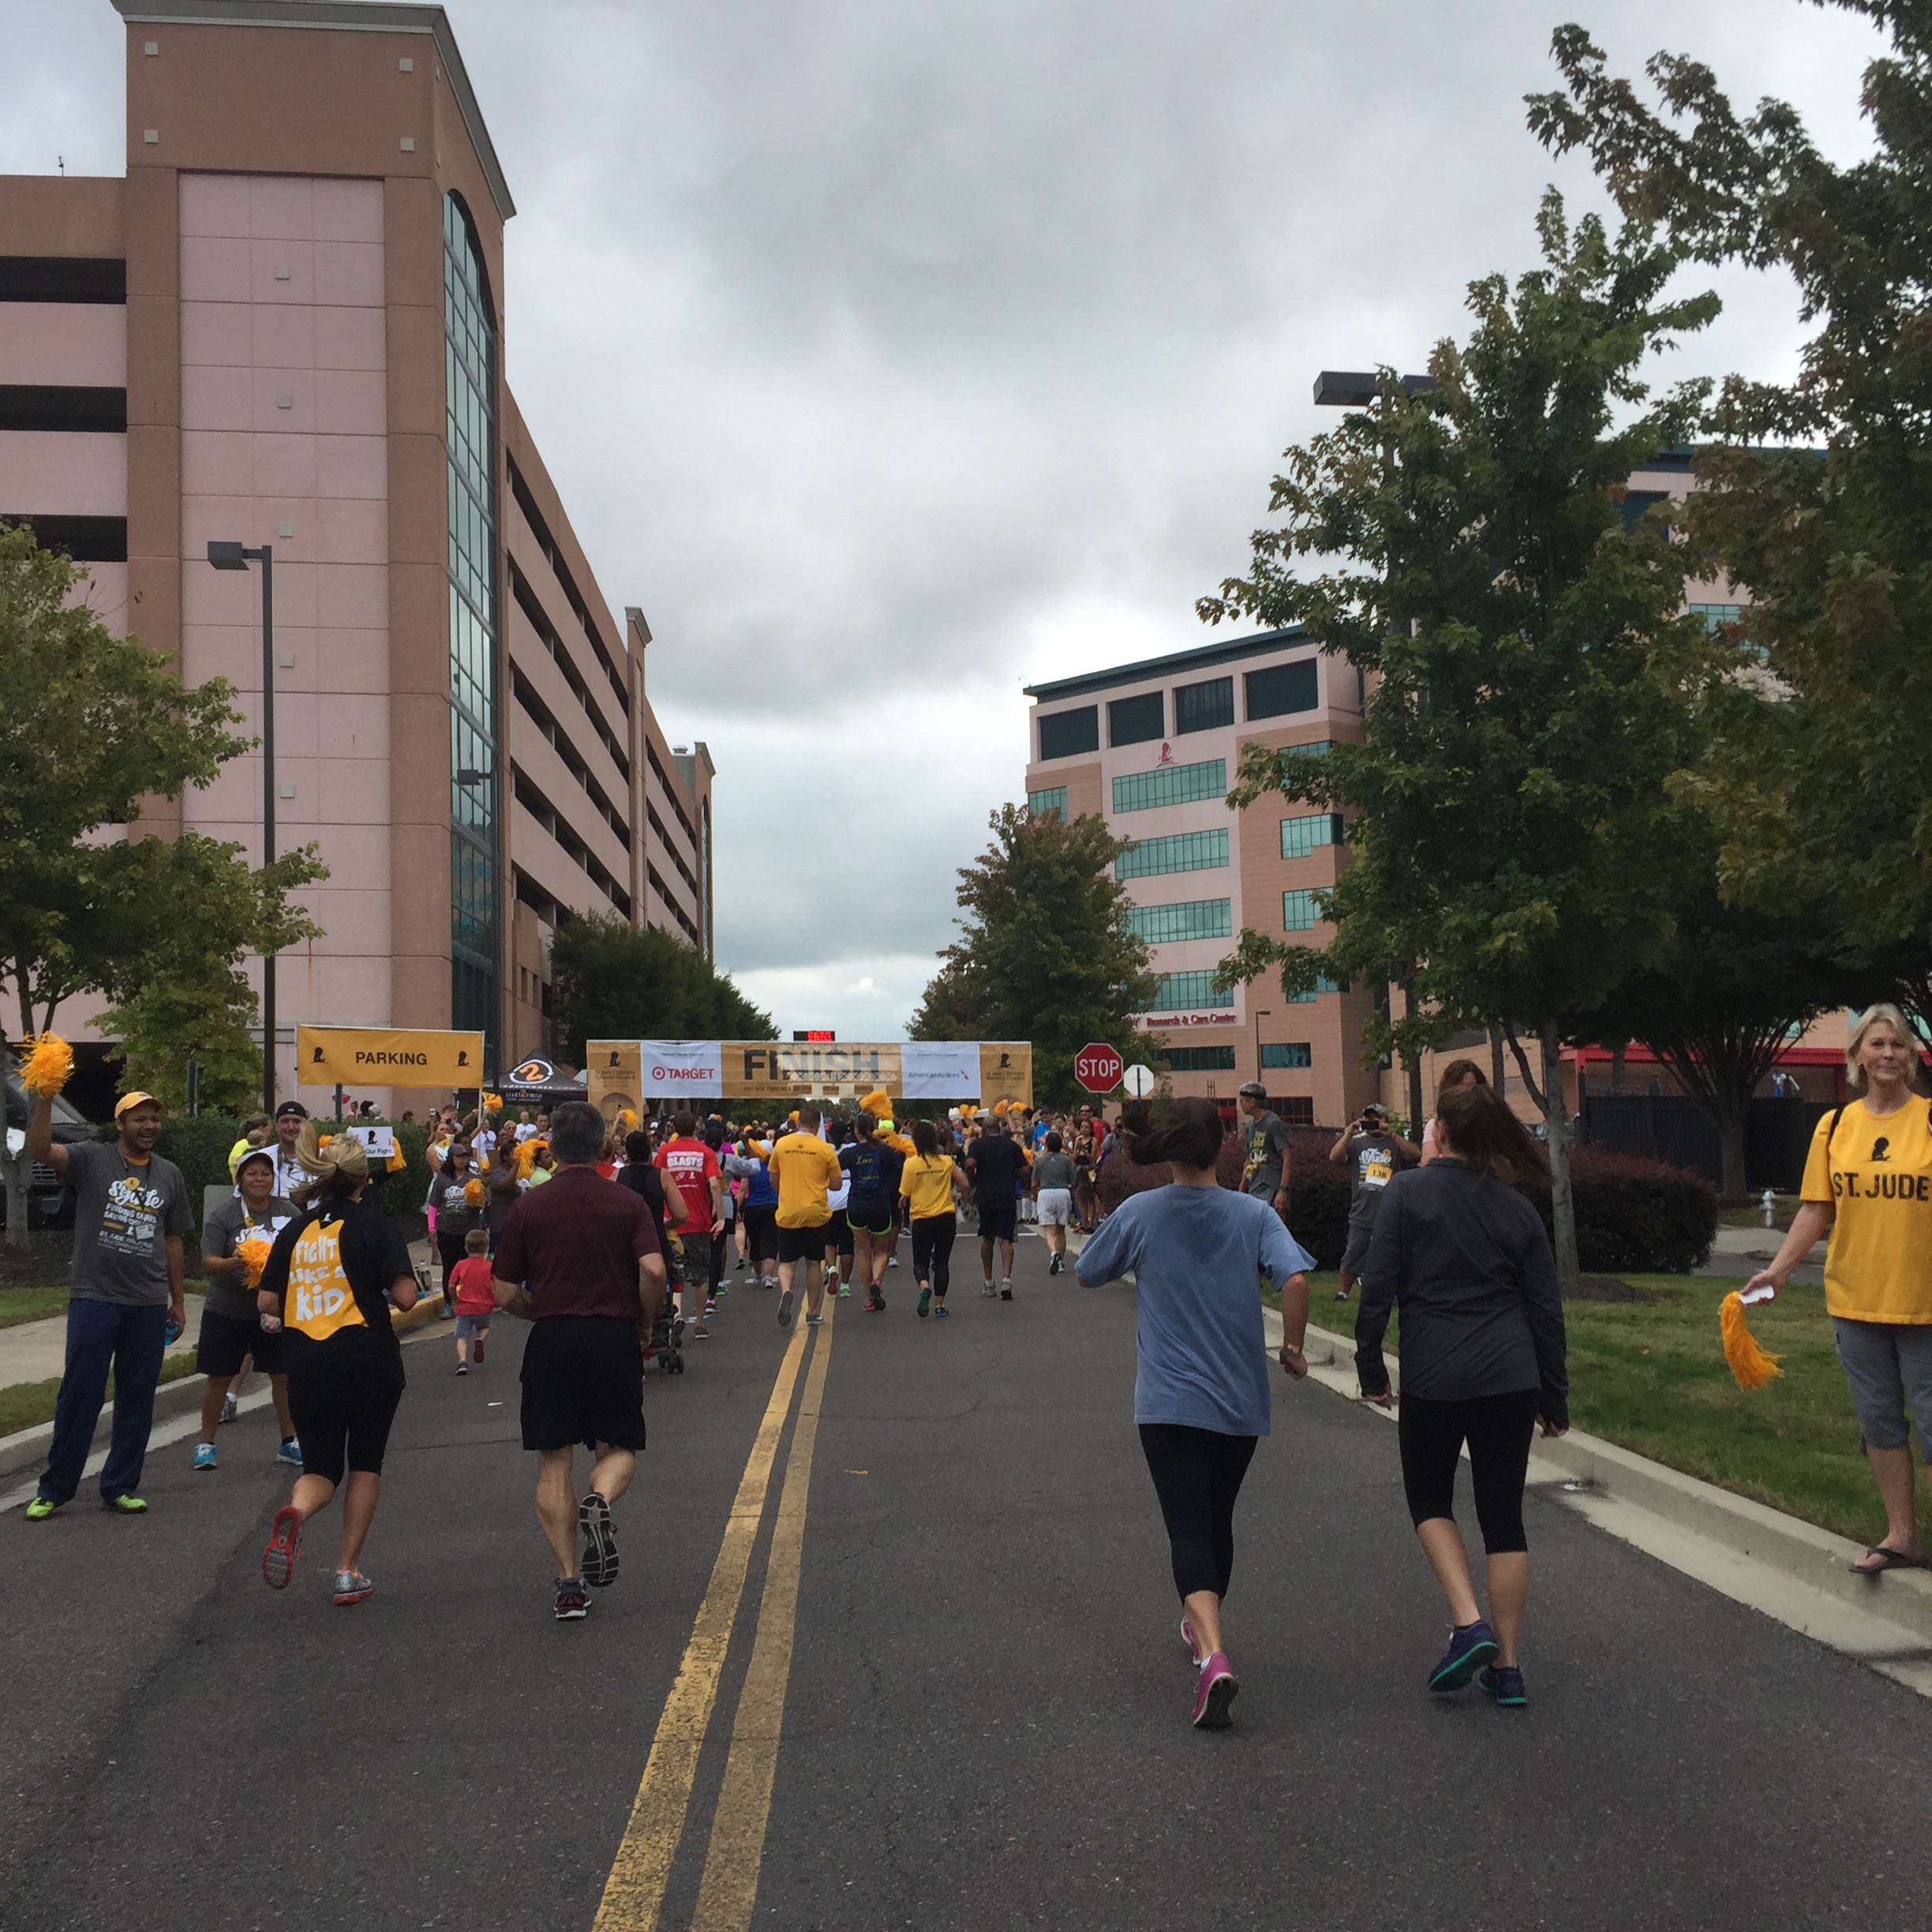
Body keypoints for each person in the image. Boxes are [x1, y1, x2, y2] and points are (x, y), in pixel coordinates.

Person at [1074, 1099, 1314, 1729]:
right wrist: (1292, 1349)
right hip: (1240, 1398)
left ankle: (1212, 1654)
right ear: (1222, 1147)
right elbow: (1295, 1281)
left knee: (1185, 1526)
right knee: (1215, 1519)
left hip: (1169, 1402)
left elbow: (1087, 1272)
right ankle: (1204, 1627)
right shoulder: (1254, 1214)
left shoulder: (1141, 1212)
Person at [1356, 1081, 1567, 1708]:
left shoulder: (1406, 1193)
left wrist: (1371, 1367)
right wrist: (1553, 1395)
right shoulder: (1517, 1209)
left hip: (1436, 1375)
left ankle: (1468, 1622)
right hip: (1511, 1376)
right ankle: (1508, 1667)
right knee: (1504, 1517)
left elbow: (1378, 1287)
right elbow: (1545, 1310)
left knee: (1430, 1500)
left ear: (1441, 1132)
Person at [1745, 1002, 1932, 1575]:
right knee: (1880, 1423)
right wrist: (1778, 1271)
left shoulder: (1929, 1120)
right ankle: (1901, 1537)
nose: (1888, 1054)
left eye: (1897, 1044)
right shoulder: (1835, 1127)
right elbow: (1816, 1208)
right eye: (1876, 1044)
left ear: (1912, 1055)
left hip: (1925, 1304)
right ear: (1857, 1057)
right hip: (1855, 1302)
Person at [490, 1101, 665, 1621]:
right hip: (612, 1334)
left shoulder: (529, 1206)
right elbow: (654, 1270)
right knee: (619, 1445)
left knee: (553, 1460)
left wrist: (540, 1310)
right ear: (603, 1147)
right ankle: (601, 1501)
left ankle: (569, 1583)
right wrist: (645, 1320)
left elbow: (503, 1291)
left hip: (552, 1338)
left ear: (551, 1148)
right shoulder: (627, 1203)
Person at [256, 1124, 419, 1604]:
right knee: (365, 1463)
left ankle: (298, 1513)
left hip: (307, 1362)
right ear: (363, 1178)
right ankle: (347, 1572)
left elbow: (267, 1300)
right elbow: (407, 1298)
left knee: (320, 1468)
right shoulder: (377, 1226)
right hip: (368, 1359)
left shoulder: (295, 1230)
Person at [24, 1089, 192, 1519]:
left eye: (154, 1119)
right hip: (95, 1297)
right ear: (120, 1124)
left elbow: (173, 1240)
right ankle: (54, 1489)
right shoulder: (91, 1159)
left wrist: (177, 1301)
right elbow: (39, 1150)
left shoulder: (170, 1174)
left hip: (147, 1303)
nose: (149, 1126)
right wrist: (44, 1099)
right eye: (139, 1119)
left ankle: (119, 1485)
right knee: (80, 1395)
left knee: (137, 1398)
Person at [196, 1145, 301, 1470]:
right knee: (219, 1377)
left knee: (282, 1375)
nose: (259, 1179)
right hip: (227, 1309)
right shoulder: (224, 1215)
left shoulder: (290, 1213)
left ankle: (289, 1442)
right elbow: (207, 1263)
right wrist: (236, 1262)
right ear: (240, 1180)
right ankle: (206, 1444)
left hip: (274, 1309)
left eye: (265, 1173)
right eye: (252, 1173)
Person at [1329, 1103, 1421, 1303]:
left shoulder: (1394, 1142)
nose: (1372, 1123)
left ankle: (1393, 1291)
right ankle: (1343, 1292)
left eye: (1376, 1119)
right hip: (1362, 1209)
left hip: (1389, 1208)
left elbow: (1416, 1155)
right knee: (1354, 1251)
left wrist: (1392, 1134)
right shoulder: (1357, 1142)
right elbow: (1334, 1157)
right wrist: (1349, 1133)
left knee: (1391, 1253)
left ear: (1385, 1120)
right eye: (1368, 1119)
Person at [767, 1105, 844, 1327]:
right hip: (815, 1213)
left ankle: (786, 1291)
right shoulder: (825, 1149)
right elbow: (837, 1184)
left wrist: (784, 1193)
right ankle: (812, 1312)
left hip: (788, 1211)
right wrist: (822, 1181)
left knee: (787, 1263)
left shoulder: (782, 1145)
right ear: (818, 1125)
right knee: (813, 1263)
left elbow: (773, 1177)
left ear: (798, 1122)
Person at [655, 1110, 724, 1339]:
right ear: (695, 1128)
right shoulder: (705, 1153)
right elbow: (714, 1184)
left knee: (675, 1273)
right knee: (701, 1276)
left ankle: (677, 1314)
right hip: (699, 1223)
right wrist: (720, 1217)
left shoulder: (664, 1152)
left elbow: (656, 1181)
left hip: (672, 1223)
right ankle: (700, 1323)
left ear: (674, 1129)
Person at [900, 1118, 968, 1320]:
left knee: (920, 1261)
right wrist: (959, 1195)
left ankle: (924, 1286)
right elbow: (964, 1183)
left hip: (922, 1218)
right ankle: (939, 1305)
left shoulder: (911, 1163)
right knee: (942, 1262)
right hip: (945, 1216)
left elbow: (905, 1191)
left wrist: (904, 1198)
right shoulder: (946, 1161)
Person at [840, 1110, 905, 1312]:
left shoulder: (850, 1153)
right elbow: (900, 1169)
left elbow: (834, 1168)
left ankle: (870, 1296)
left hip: (857, 1203)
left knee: (863, 1251)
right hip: (880, 1203)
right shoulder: (885, 1151)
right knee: (882, 1250)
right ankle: (876, 1281)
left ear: (855, 1131)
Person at [967, 1119, 1030, 1300]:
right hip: (1006, 1195)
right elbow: (1025, 1169)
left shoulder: (977, 1145)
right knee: (1005, 1239)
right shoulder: (1011, 1145)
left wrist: (972, 1180)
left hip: (986, 1196)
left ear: (984, 1129)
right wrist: (1013, 1175)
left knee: (987, 1238)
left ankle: (989, 1282)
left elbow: (970, 1163)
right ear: (998, 1128)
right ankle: (1006, 1279)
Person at [427, 1136, 484, 1312]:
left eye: (464, 1156)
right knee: (449, 1268)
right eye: (458, 1157)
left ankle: (469, 1300)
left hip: (468, 1230)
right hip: (447, 1230)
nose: (462, 1160)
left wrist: (479, 1201)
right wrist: (431, 1227)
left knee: (470, 1267)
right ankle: (448, 1302)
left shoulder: (473, 1178)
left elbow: (482, 1204)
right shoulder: (442, 1179)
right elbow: (434, 1205)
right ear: (451, 1159)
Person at [1235, 1083, 1292, 1226]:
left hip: (1272, 1185)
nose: (1240, 1105)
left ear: (1253, 1102)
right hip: (1255, 1186)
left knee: (1273, 1228)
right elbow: (1249, 1159)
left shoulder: (1273, 1123)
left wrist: (1283, 1190)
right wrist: (1242, 1188)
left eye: (1242, 1101)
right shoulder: (1250, 1126)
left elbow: (1287, 1156)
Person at [1419, 1059, 1488, 1164]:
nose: (1467, 1092)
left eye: (1472, 1087)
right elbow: (1427, 1163)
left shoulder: (1488, 1122)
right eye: (1461, 1087)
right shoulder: (1435, 1125)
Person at [449, 1228, 496, 1373]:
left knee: (462, 1337)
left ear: (466, 1248)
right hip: (483, 1307)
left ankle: (462, 1362)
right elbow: (497, 1285)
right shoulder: (490, 1267)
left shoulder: (461, 1265)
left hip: (464, 1307)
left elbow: (451, 1285)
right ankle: (480, 1339)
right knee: (485, 1327)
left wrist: (455, 1299)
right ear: (486, 1248)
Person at [1031, 1132, 1078, 1274]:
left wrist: (1035, 1195)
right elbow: (1073, 1181)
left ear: (1047, 1145)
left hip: (1045, 1193)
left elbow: (1034, 1183)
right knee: (1061, 1229)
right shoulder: (1066, 1161)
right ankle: (1061, 1261)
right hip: (1063, 1192)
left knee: (1049, 1229)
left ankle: (1053, 1253)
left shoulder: (1040, 1161)